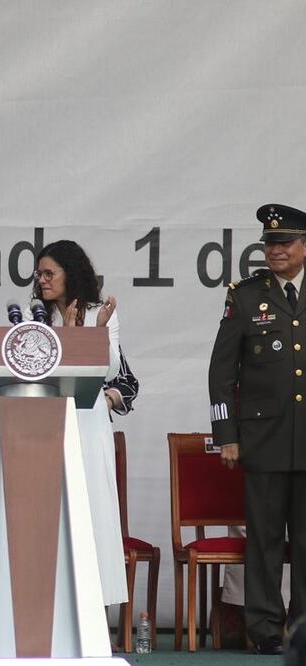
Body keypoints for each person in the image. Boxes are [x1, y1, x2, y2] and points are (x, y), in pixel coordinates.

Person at [209, 203, 306, 656]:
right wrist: (226, 433)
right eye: (269, 243)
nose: (275, 250)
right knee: (264, 539)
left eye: (284, 242)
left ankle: (302, 629)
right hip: (263, 439)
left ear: (305, 245)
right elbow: (220, 373)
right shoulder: (246, 296)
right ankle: (266, 628)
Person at [32, 240, 129, 609]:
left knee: (91, 511)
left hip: (88, 425)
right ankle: (46, 605)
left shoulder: (99, 313)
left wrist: (91, 333)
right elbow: (36, 372)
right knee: (50, 514)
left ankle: (91, 608)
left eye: (49, 273)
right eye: (39, 274)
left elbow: (107, 371)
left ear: (70, 275)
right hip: (45, 425)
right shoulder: (35, 318)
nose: (42, 280)